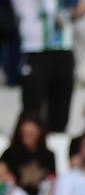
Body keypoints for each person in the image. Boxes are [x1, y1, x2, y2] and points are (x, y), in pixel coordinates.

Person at [14, 0, 78, 135]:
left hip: (64, 48)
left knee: (61, 106)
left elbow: (77, 11)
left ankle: (56, 142)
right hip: (35, 49)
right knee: (32, 107)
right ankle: (29, 144)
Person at [1, 114, 57, 195]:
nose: (26, 138)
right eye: (24, 134)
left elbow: (52, 180)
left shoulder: (48, 156)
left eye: (31, 134)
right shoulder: (10, 154)